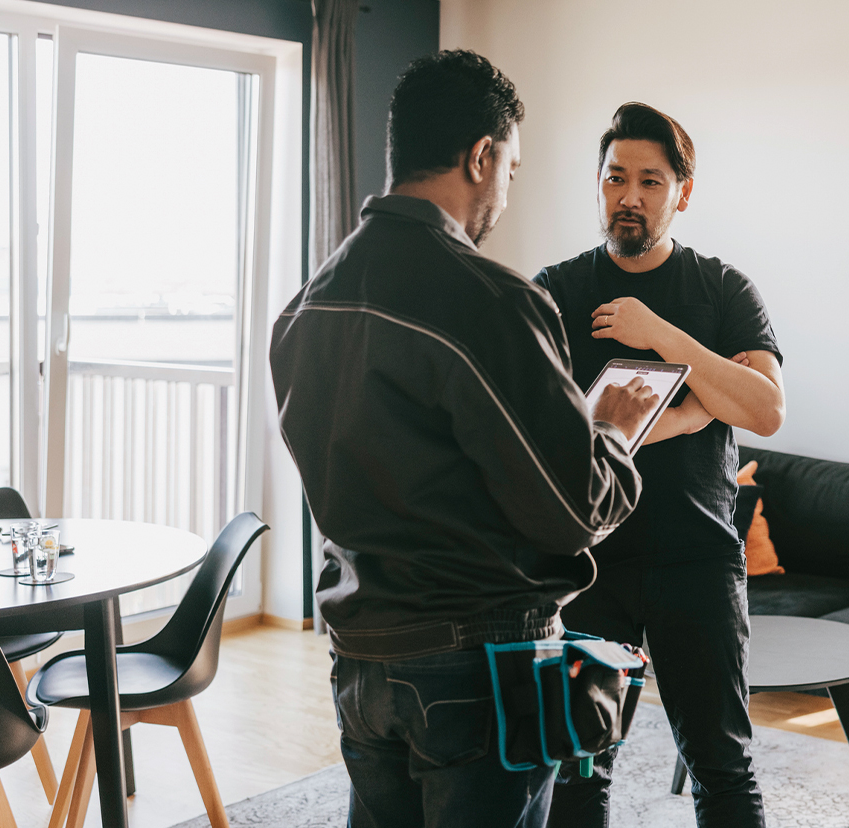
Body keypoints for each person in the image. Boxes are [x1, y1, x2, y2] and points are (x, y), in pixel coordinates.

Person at [269, 53, 659, 828]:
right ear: (482, 156)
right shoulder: (491, 300)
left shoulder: (307, 307)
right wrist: (612, 429)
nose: (506, 191)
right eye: (510, 168)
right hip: (478, 664)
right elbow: (575, 510)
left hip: (361, 659)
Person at [534, 102, 786, 828]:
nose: (630, 196)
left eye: (650, 181)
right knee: (579, 769)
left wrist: (661, 335)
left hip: (698, 562)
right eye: (616, 177)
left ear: (684, 192)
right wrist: (688, 411)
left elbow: (765, 409)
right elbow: (532, 428)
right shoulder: (553, 290)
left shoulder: (722, 289)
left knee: (722, 768)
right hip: (587, 566)